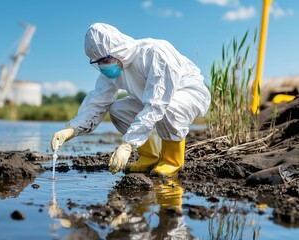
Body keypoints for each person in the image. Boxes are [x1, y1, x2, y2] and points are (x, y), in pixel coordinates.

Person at [51, 23, 210, 177]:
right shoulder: (115, 67)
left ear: (118, 50)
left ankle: (172, 161)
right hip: (154, 100)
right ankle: (149, 156)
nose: (102, 66)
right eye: (97, 62)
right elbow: (97, 102)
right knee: (117, 110)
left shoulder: (154, 54)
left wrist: (128, 144)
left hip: (189, 94)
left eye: (104, 61)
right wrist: (71, 129)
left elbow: (157, 104)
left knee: (169, 108)